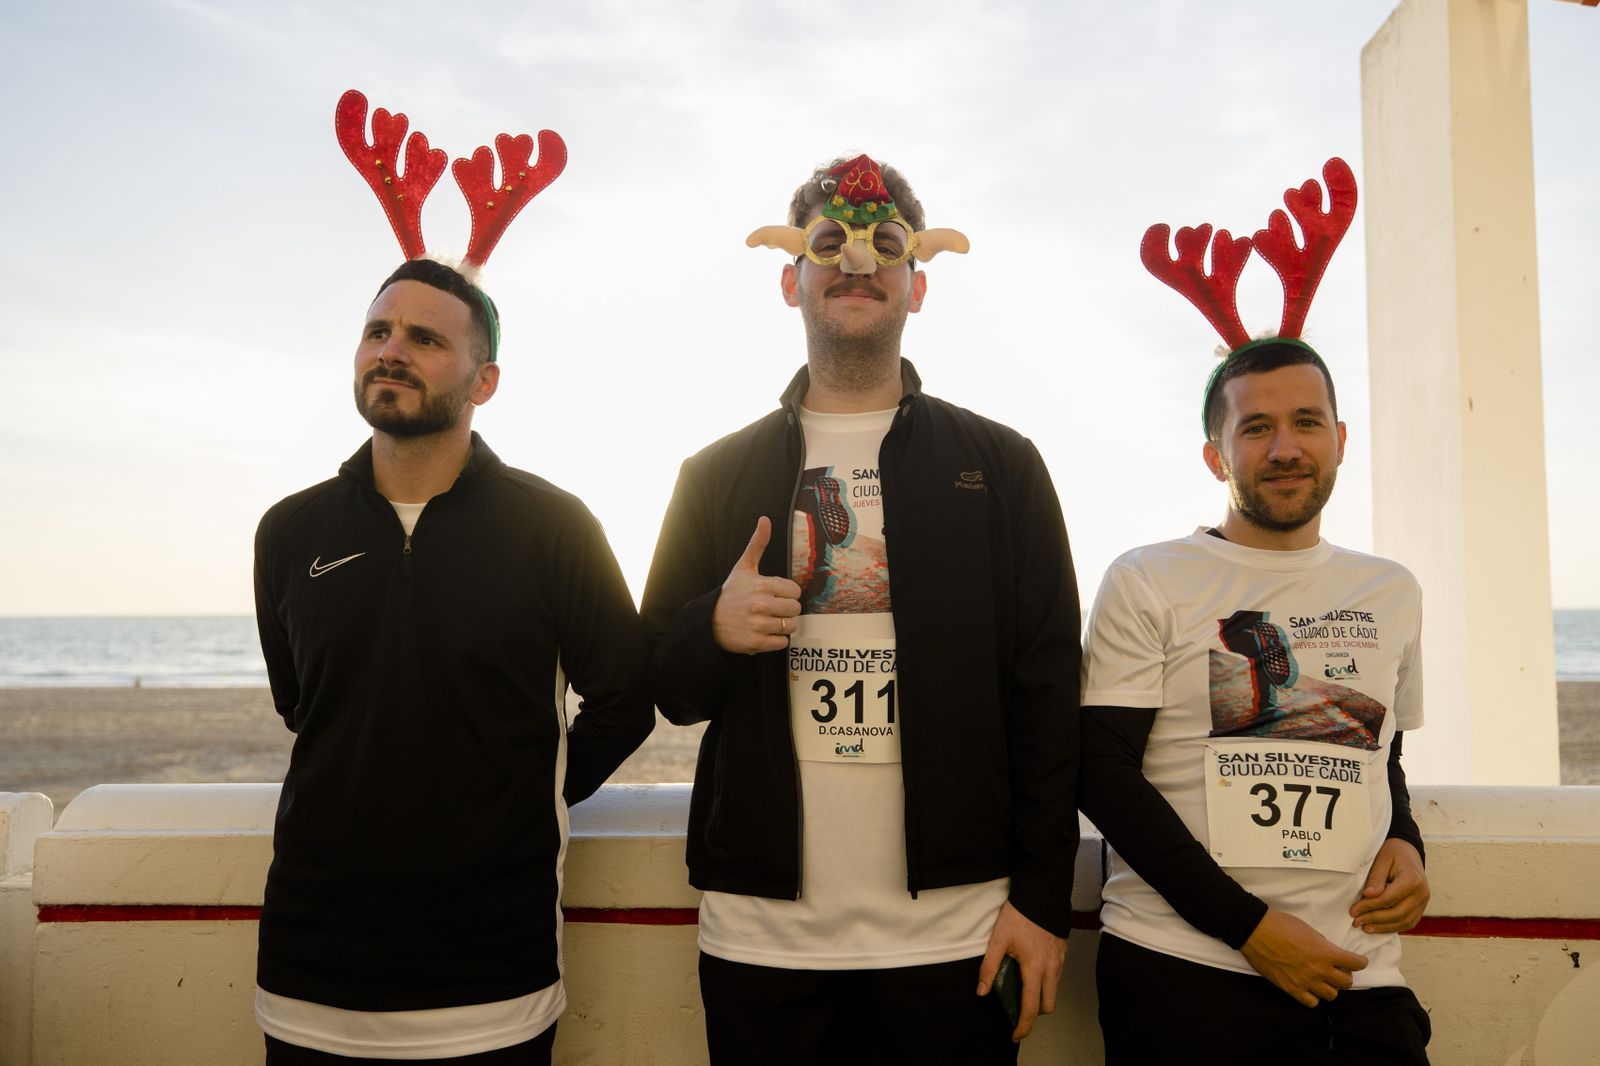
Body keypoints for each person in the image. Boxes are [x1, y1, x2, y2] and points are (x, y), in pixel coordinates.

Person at [641, 154, 1081, 1064]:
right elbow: (663, 682)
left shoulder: (1001, 467)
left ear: (918, 284)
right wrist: (713, 630)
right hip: (763, 936)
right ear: (790, 276)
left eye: (885, 245)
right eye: (829, 242)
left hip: (957, 932)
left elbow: (1046, 693)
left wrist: (1042, 900)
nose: (856, 263)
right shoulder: (714, 475)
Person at [252, 253, 654, 1060]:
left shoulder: (554, 527)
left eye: (426, 338)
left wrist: (519, 801)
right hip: (307, 972)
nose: (390, 351)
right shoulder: (289, 532)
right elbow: (304, 704)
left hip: (493, 981)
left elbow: (625, 701)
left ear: (484, 381)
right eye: (377, 331)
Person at [1080, 160, 1431, 1064]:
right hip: (1185, 970)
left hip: (1360, 975)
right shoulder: (1151, 576)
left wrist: (1407, 838)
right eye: (1256, 427)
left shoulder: (1390, 589)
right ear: (1215, 454)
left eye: (1307, 423)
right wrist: (1249, 929)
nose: (1285, 448)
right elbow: (1100, 771)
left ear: (1340, 441)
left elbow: (1380, 751)